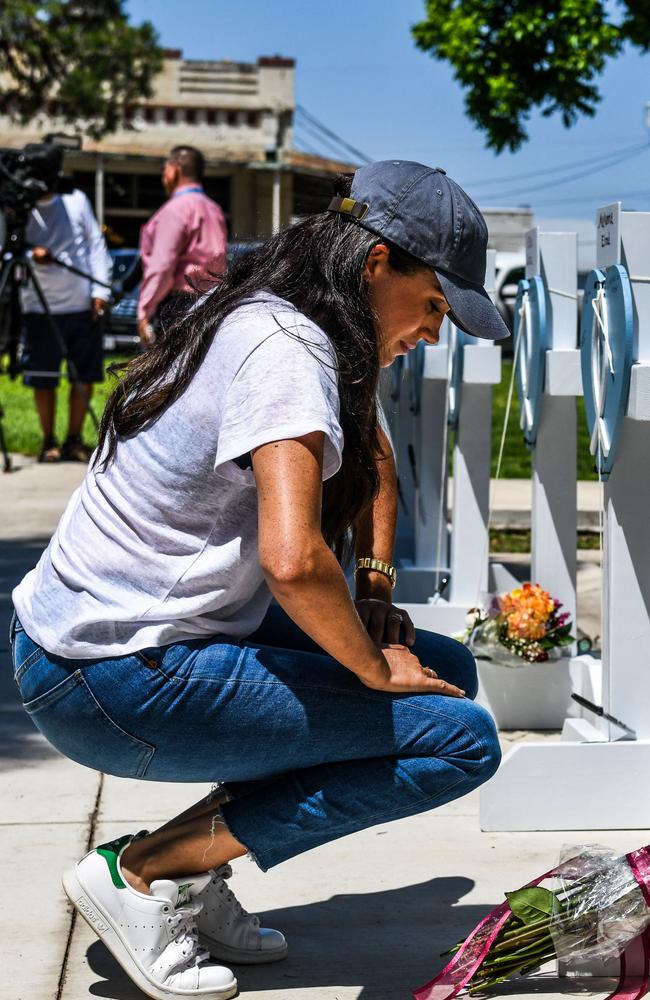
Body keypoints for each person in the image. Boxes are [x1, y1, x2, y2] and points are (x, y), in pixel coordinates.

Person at [11, 160, 509, 1000]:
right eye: (434, 305)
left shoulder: (298, 315)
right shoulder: (286, 350)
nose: (436, 331)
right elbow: (293, 560)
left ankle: (195, 875)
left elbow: (375, 456)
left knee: (447, 676)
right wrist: (369, 664)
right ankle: (143, 871)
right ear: (377, 261)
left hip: (113, 641)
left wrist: (377, 597)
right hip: (104, 676)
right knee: (456, 737)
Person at [20, 145, 111, 462]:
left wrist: (101, 290)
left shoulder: (76, 200)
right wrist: (31, 254)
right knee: (44, 378)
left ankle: (74, 439)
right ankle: (49, 441)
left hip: (81, 305)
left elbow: (95, 243)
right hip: (39, 306)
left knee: (83, 376)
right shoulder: (20, 207)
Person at [137, 144, 228, 348]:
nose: (163, 177)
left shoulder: (175, 210)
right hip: (211, 303)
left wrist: (145, 310)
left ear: (175, 170)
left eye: (165, 170)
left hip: (177, 306)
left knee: (170, 375)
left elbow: (162, 266)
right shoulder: (214, 209)